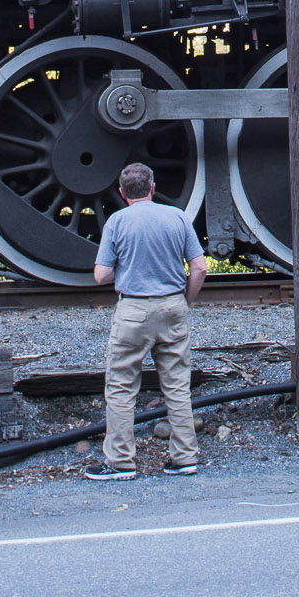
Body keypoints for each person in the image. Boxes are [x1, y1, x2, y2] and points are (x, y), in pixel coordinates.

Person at [84, 162, 206, 481]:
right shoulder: (177, 217)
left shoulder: (117, 221)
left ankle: (121, 462)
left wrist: (125, 268)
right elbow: (199, 268)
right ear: (153, 187)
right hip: (173, 306)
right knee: (177, 386)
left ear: (122, 192)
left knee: (121, 388)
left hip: (133, 312)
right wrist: (185, 302)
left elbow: (101, 275)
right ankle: (184, 458)